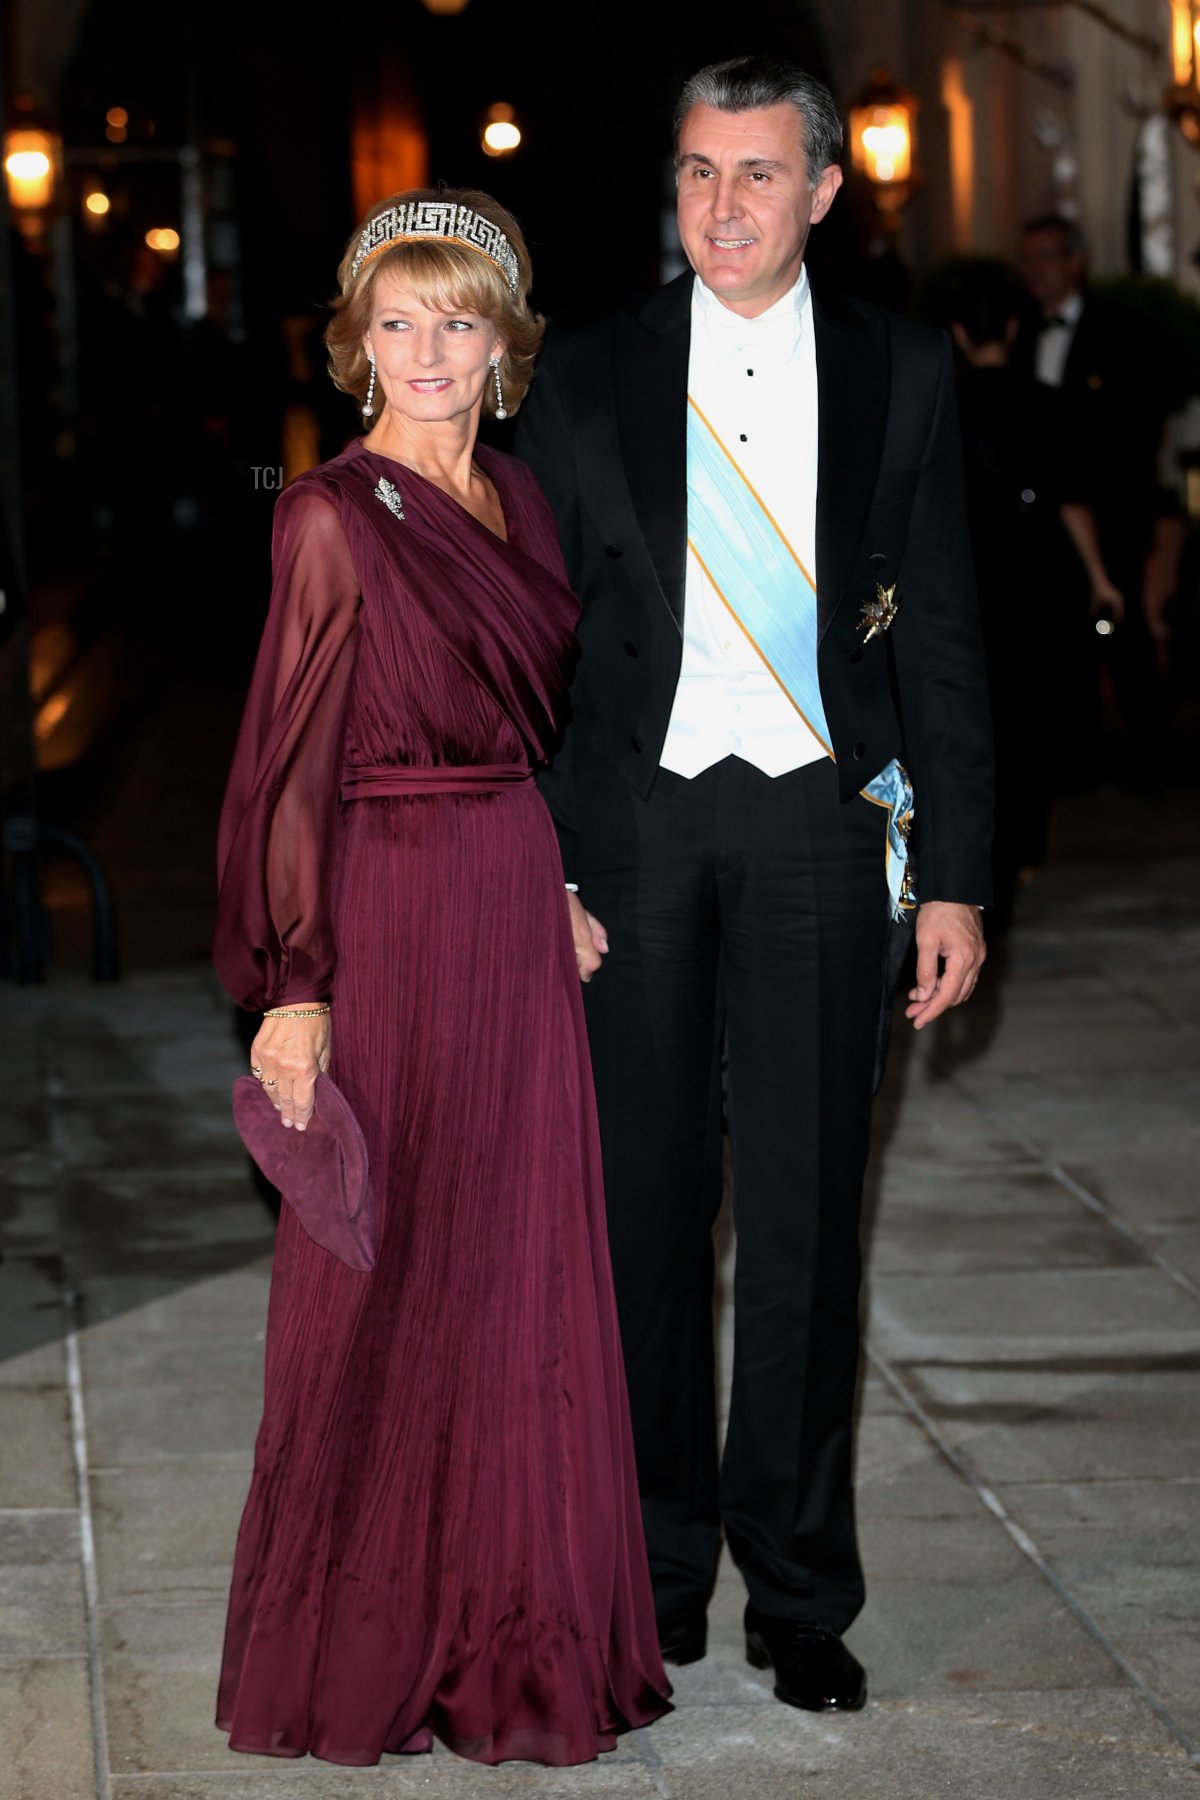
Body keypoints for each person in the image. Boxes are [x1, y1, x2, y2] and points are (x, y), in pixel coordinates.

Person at [516, 56, 992, 1713]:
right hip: (632, 836)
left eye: (758, 175)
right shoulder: (582, 373)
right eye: (698, 173)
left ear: (825, 192)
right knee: (641, 1221)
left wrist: (955, 875)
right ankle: (653, 1572)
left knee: (799, 1227)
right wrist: (534, 861)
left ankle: (798, 1588)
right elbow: (525, 648)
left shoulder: (902, 368)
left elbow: (938, 636)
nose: (722, 207)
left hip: (816, 829)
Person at [212, 187, 670, 1767]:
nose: (427, 351)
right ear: (356, 348)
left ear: (502, 348)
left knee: (517, 1268)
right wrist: (295, 985)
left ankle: (515, 1640)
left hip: (503, 894)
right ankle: (362, 1645)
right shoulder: (328, 514)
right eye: (396, 324)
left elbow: (519, 737)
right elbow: (289, 771)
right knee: (380, 1276)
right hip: (387, 914)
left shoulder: (523, 507)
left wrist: (551, 881)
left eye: (456, 322)